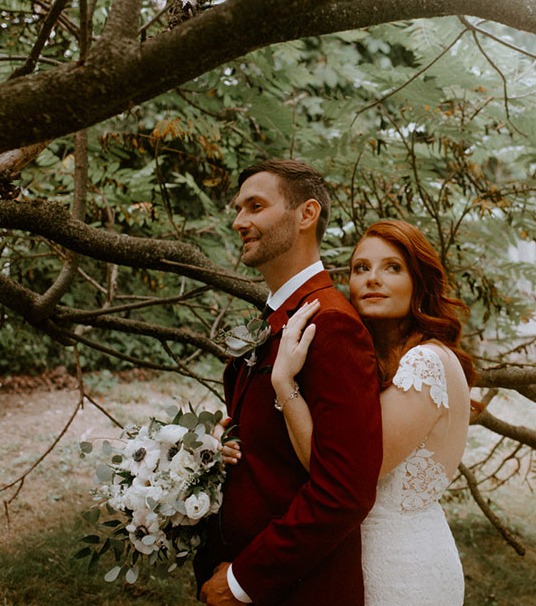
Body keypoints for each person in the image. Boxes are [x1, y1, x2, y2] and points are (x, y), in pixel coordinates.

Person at [223, 219, 475, 606]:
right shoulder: (377, 362)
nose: (373, 279)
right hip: (345, 560)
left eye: (393, 267)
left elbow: (337, 472)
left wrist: (284, 384)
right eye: (362, 268)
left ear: (419, 282)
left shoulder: (424, 363)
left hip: (400, 569)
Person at [193, 159, 383, 605]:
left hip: (297, 589)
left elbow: (345, 493)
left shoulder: (332, 324)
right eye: (238, 209)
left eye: (255, 206)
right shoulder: (281, 313)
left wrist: (242, 581)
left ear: (306, 214)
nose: (240, 221)